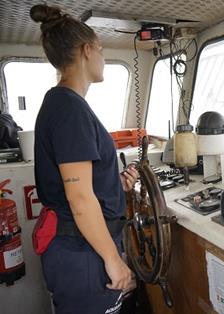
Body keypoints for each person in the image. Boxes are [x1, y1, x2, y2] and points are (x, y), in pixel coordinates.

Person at [30, 4, 139, 314]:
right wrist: (113, 260)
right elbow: (78, 198)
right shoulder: (69, 110)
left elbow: (84, 185)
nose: (103, 58)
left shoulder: (64, 104)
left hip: (84, 247)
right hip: (83, 253)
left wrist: (117, 187)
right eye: (102, 49)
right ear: (87, 50)